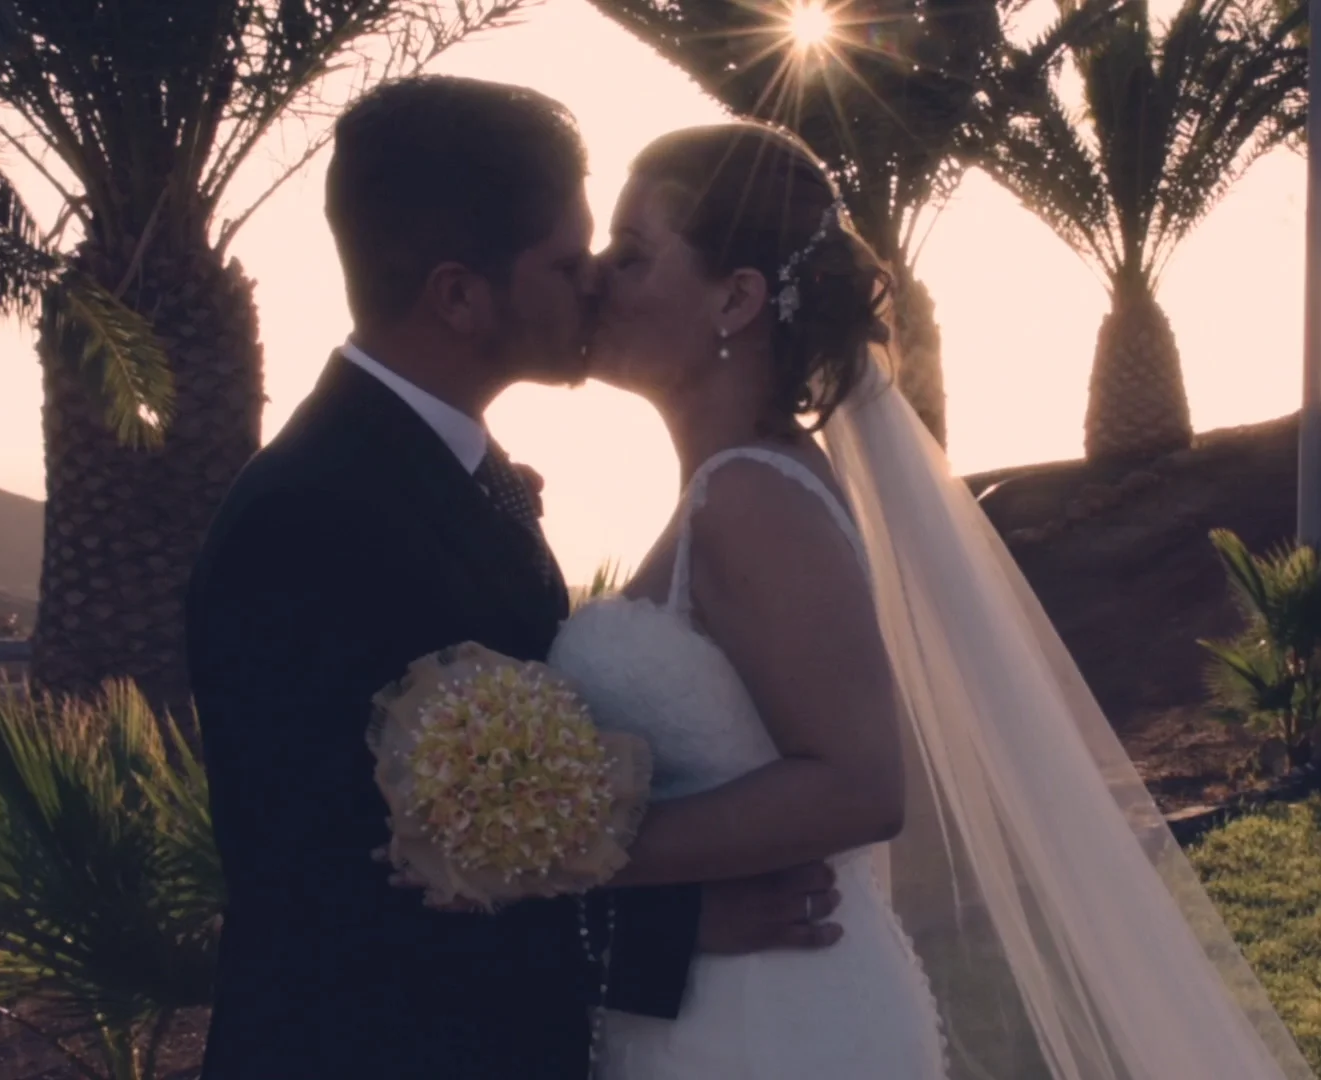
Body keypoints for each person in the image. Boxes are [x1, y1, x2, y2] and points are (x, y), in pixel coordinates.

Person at [515, 121, 1321, 1079]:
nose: (599, 276)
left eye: (633, 253)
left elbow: (860, 785)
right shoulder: (733, 489)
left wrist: (568, 851)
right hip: (726, 1001)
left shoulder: (750, 499)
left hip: (769, 1025)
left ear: (734, 299)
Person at [183, 80, 842, 1080]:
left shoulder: (452, 468)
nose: (596, 288)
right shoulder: (305, 517)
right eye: (569, 263)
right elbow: (328, 886)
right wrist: (665, 928)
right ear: (459, 294)